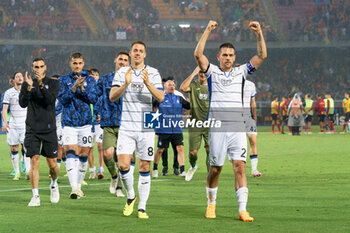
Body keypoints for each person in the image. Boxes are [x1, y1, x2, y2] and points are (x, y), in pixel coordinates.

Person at [194, 20, 266, 221]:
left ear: (235, 58)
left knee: (240, 167)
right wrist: (207, 30)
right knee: (215, 169)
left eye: (231, 55)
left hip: (237, 127)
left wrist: (259, 33)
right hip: (217, 128)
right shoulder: (212, 72)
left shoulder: (241, 72)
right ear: (218, 57)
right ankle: (211, 204)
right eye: (224, 55)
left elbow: (261, 56)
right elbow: (198, 54)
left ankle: (243, 209)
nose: (227, 58)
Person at [110, 41, 164, 219]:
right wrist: (125, 84)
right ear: (131, 53)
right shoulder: (122, 72)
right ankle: (131, 196)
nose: (138, 53)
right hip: (126, 124)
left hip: (146, 124)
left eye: (141, 51)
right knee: (124, 164)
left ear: (145, 54)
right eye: (135, 51)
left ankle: (142, 207)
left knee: (144, 166)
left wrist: (148, 83)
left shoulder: (153, 72)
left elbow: (161, 97)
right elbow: (112, 97)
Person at [19, 58, 60, 206]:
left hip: (49, 128)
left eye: (41, 66)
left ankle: (54, 183)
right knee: (34, 160)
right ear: (32, 68)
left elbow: (49, 100)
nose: (38, 69)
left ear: (45, 68)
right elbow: (22, 104)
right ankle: (35, 196)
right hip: (32, 129)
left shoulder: (54, 83)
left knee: (52, 164)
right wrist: (29, 88)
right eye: (36, 67)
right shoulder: (27, 84)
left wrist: (41, 85)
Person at [58, 52, 98, 199]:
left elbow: (93, 99)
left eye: (80, 63)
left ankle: (79, 187)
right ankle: (74, 188)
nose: (77, 66)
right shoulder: (63, 80)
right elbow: (63, 100)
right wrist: (74, 87)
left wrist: (82, 89)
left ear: (83, 63)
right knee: (70, 151)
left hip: (86, 124)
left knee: (83, 156)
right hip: (69, 123)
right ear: (70, 64)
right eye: (75, 63)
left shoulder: (91, 80)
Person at [96, 51, 130, 197]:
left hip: (127, 124)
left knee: (123, 159)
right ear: (115, 60)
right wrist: (97, 112)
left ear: (128, 63)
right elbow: (94, 97)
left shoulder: (132, 80)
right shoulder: (104, 80)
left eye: (125, 60)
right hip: (109, 122)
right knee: (107, 153)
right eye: (120, 59)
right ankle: (114, 177)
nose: (122, 62)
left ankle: (119, 188)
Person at [152, 79, 190, 178]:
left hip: (177, 129)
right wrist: (153, 127)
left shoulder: (179, 98)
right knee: (160, 149)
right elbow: (153, 109)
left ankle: (182, 170)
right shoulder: (160, 98)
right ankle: (155, 169)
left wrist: (191, 101)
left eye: (173, 85)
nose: (172, 86)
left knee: (180, 148)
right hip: (164, 129)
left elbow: (189, 106)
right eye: (169, 85)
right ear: (165, 87)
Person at [179, 67, 210, 181]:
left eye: (204, 72)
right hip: (195, 124)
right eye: (200, 72)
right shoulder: (193, 85)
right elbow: (182, 88)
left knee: (209, 149)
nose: (202, 74)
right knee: (193, 153)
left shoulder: (213, 86)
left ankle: (210, 175)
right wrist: (193, 72)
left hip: (210, 124)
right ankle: (193, 166)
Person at [1, 72, 29, 180]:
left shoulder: (27, 91)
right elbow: (4, 109)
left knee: (26, 147)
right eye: (17, 76)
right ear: (14, 80)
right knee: (14, 147)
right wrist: (5, 122)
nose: (20, 78)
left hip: (25, 124)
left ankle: (27, 171)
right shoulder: (8, 93)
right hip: (13, 124)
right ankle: (17, 173)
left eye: (21, 76)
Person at [88, 68, 104, 180]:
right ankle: (92, 170)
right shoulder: (85, 89)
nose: (94, 77)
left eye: (96, 75)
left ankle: (101, 169)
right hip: (88, 122)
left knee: (100, 146)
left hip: (99, 122)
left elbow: (106, 104)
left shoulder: (102, 90)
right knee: (89, 147)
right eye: (92, 75)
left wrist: (102, 115)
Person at [243, 79, 262, 177]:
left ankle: (254, 170)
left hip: (248, 117)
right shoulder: (231, 84)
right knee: (236, 145)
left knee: (253, 141)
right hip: (234, 118)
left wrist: (254, 117)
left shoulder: (250, 85)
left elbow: (253, 102)